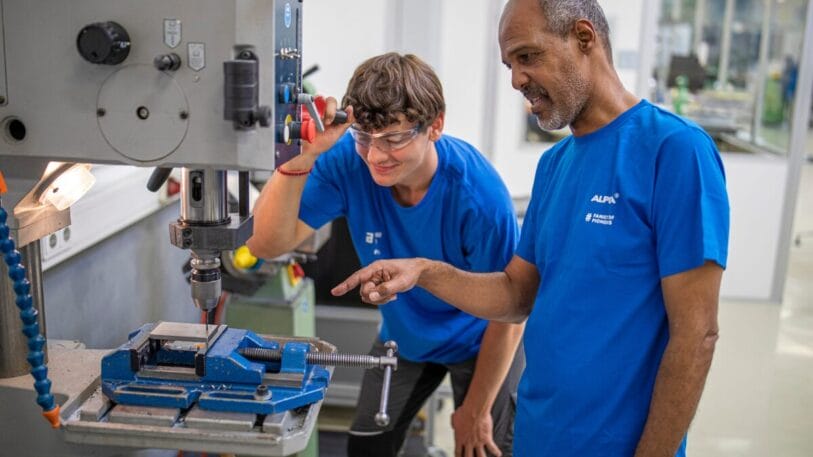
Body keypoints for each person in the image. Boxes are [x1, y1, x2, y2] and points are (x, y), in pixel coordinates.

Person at [331, 1, 730, 456]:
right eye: (509, 64)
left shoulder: (674, 151)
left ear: (584, 38)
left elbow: (697, 335)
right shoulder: (555, 165)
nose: (516, 79)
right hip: (538, 434)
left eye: (527, 57)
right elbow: (516, 295)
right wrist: (422, 271)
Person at [246, 52, 524, 457]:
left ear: (435, 126)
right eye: (364, 137)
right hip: (406, 336)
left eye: (394, 139)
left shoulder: (480, 197)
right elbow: (264, 244)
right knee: (366, 450)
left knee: (488, 445)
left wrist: (476, 409)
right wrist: (301, 159)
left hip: (483, 338)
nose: (376, 156)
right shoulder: (347, 162)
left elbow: (511, 312)